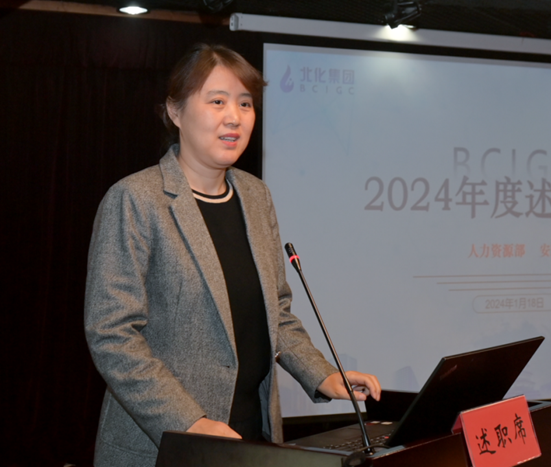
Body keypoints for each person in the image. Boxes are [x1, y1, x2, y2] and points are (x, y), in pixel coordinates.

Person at [84, 43, 381, 467]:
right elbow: (112, 335)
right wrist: (188, 421)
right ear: (175, 111)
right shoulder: (136, 199)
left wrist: (322, 374)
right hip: (166, 444)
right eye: (217, 101)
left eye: (245, 103)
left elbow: (276, 313)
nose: (235, 117)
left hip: (251, 435)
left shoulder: (256, 196)